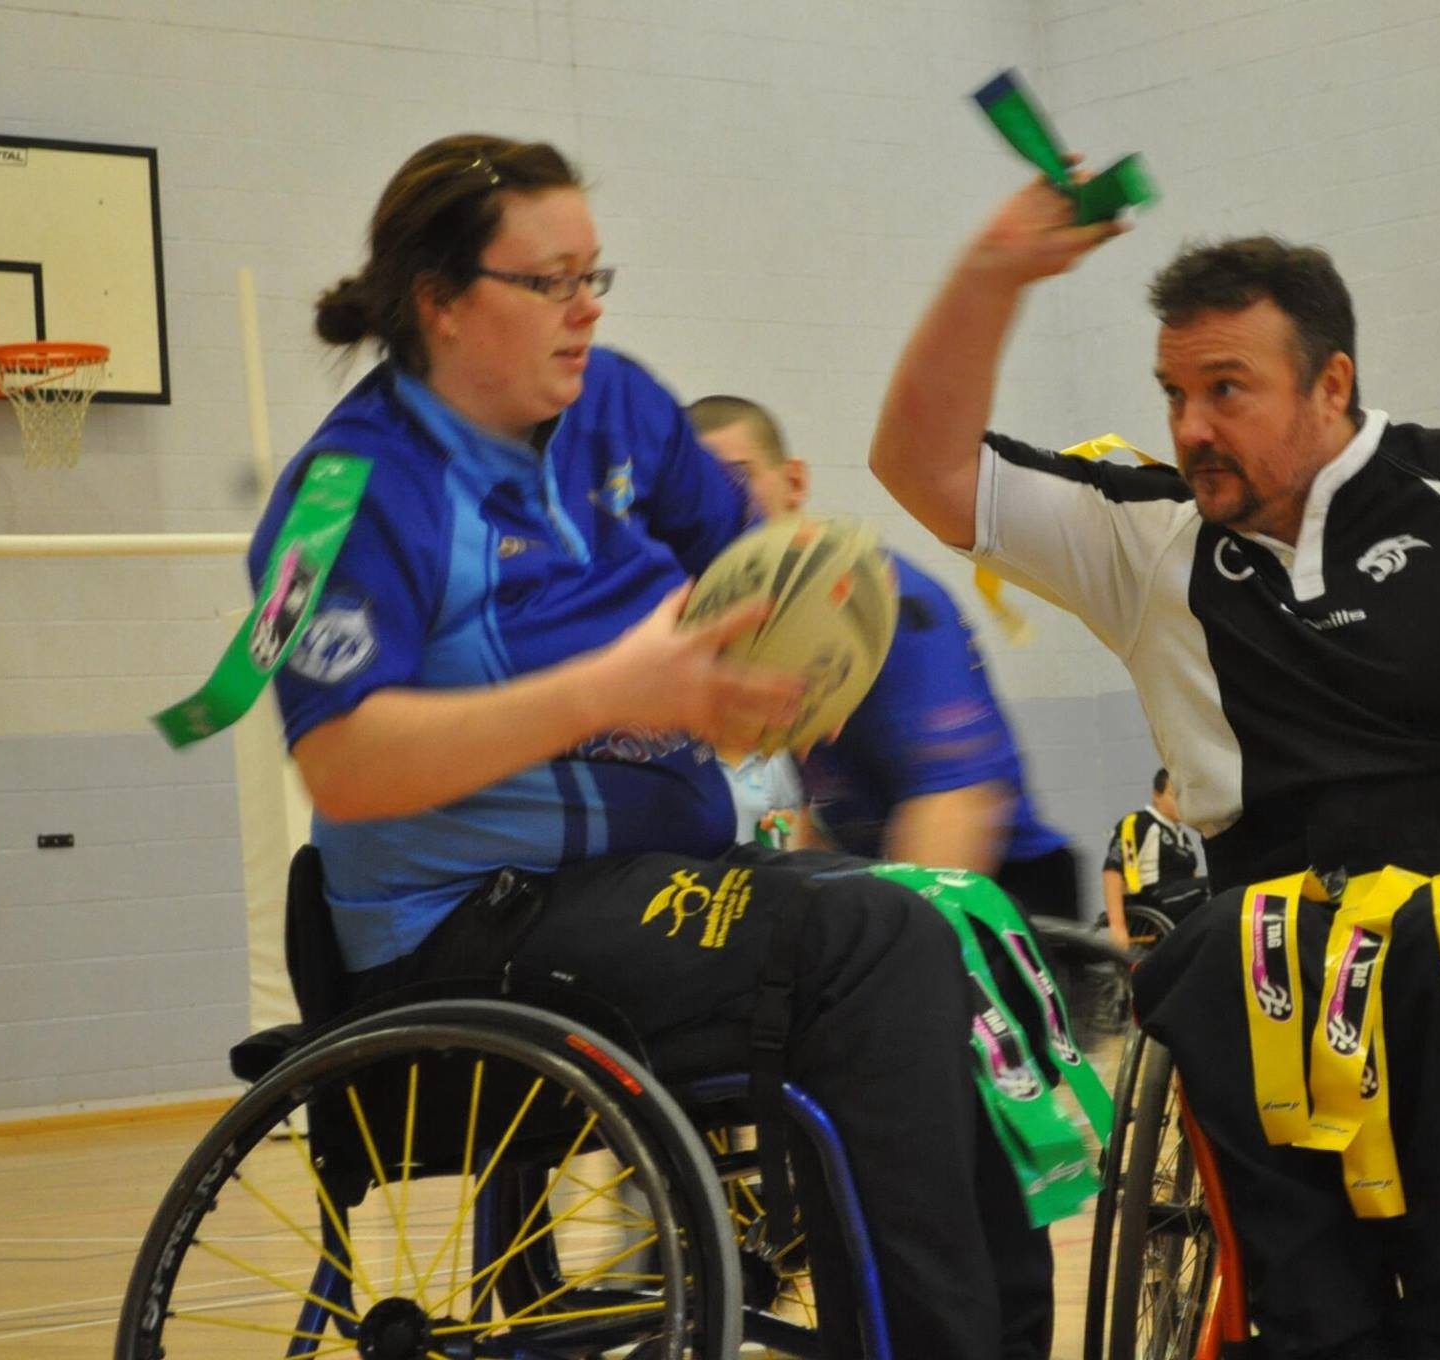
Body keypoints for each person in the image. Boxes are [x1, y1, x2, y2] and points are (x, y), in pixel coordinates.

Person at [868, 176, 1440, 1359]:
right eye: (1174, 395)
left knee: (1435, 943)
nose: (1190, 426)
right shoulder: (1141, 533)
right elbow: (919, 467)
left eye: (1225, 389)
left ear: (1329, 383)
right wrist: (993, 272)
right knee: (1219, 957)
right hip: (1272, 932)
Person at [250, 134, 1049, 1360]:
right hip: (465, 933)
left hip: (647, 889)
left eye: (594, 276)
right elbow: (343, 763)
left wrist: (803, 638)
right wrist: (609, 691)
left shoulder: (617, 403)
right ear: (440, 301)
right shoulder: (339, 498)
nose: (585, 309)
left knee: (945, 917)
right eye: (548, 282)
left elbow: (751, 579)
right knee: (868, 941)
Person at [687, 393, 1085, 924]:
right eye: (691, 491)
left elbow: (958, 804)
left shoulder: (887, 601)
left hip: (1003, 890)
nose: (713, 507)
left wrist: (880, 947)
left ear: (794, 482)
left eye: (735, 479)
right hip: (879, 875)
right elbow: (809, 818)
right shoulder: (748, 625)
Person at [1101, 767, 1208, 945]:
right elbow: (1113, 870)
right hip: (1152, 900)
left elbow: (1193, 880)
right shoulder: (1139, 823)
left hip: (1180, 903)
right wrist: (1117, 925)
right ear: (1156, 795)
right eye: (1174, 795)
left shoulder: (1183, 837)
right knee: (1212, 887)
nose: (1181, 802)